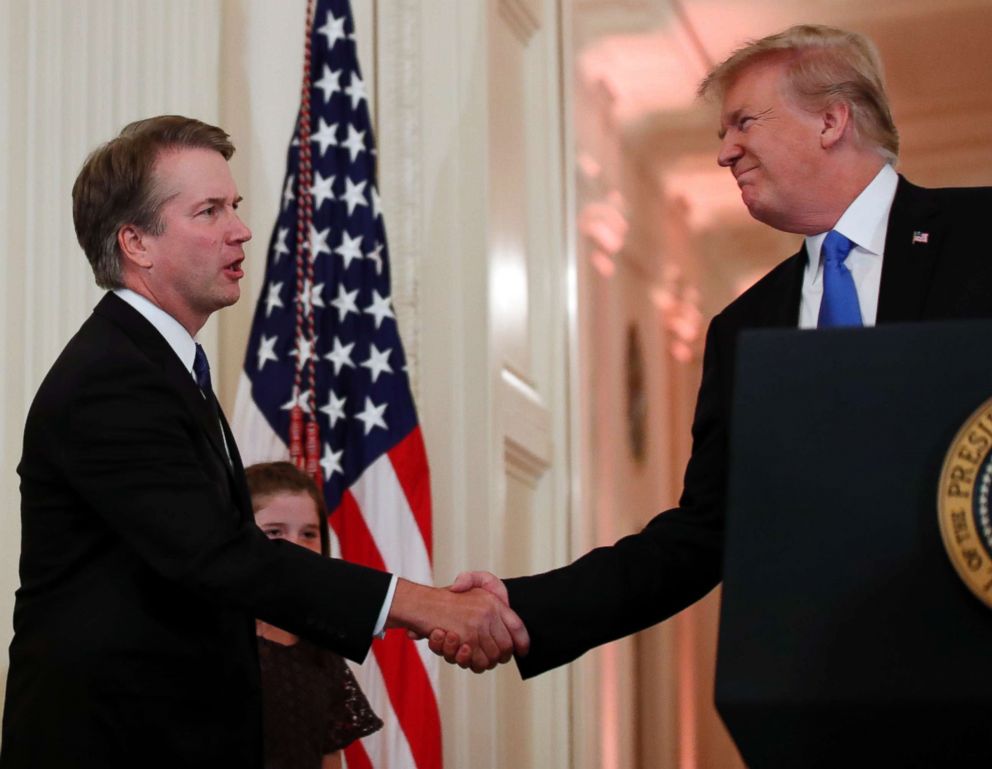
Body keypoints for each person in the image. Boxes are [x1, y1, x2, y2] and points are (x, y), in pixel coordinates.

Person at [430, 24, 992, 677]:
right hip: (829, 690)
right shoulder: (743, 329)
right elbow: (702, 536)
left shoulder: (979, 240)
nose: (726, 152)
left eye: (743, 122)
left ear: (832, 120)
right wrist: (525, 606)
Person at [1, 115, 528, 769]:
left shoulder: (163, 369)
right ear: (135, 241)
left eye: (236, 206)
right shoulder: (112, 379)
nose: (241, 229)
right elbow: (222, 557)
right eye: (210, 210)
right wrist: (420, 604)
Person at [247, 462, 382, 769]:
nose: (295, 547)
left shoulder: (321, 649)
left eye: (309, 533)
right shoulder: (209, 639)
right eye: (274, 532)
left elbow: (329, 754)